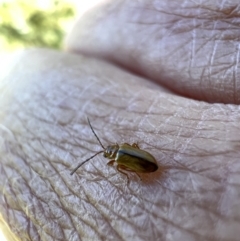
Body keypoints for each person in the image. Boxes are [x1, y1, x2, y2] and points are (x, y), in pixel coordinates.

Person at [0, 0, 239, 240]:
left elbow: (129, 163)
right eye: (107, 151)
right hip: (147, 163)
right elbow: (134, 152)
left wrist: (133, 172)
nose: (107, 152)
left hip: (148, 165)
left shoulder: (119, 158)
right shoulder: (123, 150)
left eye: (107, 151)